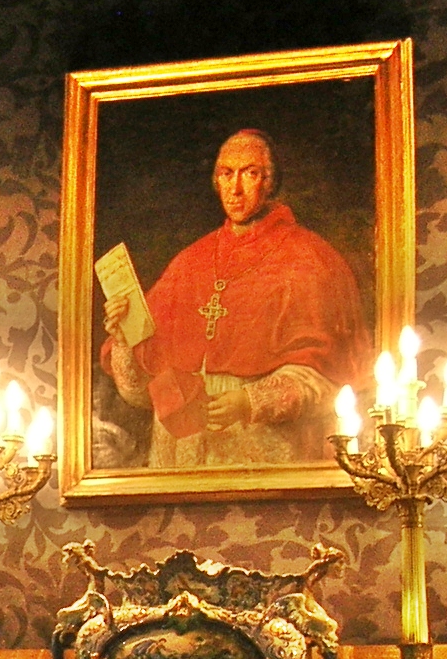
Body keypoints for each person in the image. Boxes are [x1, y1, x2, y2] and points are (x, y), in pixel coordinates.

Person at [101, 129, 369, 468]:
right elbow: (142, 392)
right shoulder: (190, 262)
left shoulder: (310, 259)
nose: (236, 188)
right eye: (227, 174)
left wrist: (249, 401)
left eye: (250, 173)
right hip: (180, 460)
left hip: (263, 453)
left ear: (269, 182)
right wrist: (125, 337)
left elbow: (331, 379)